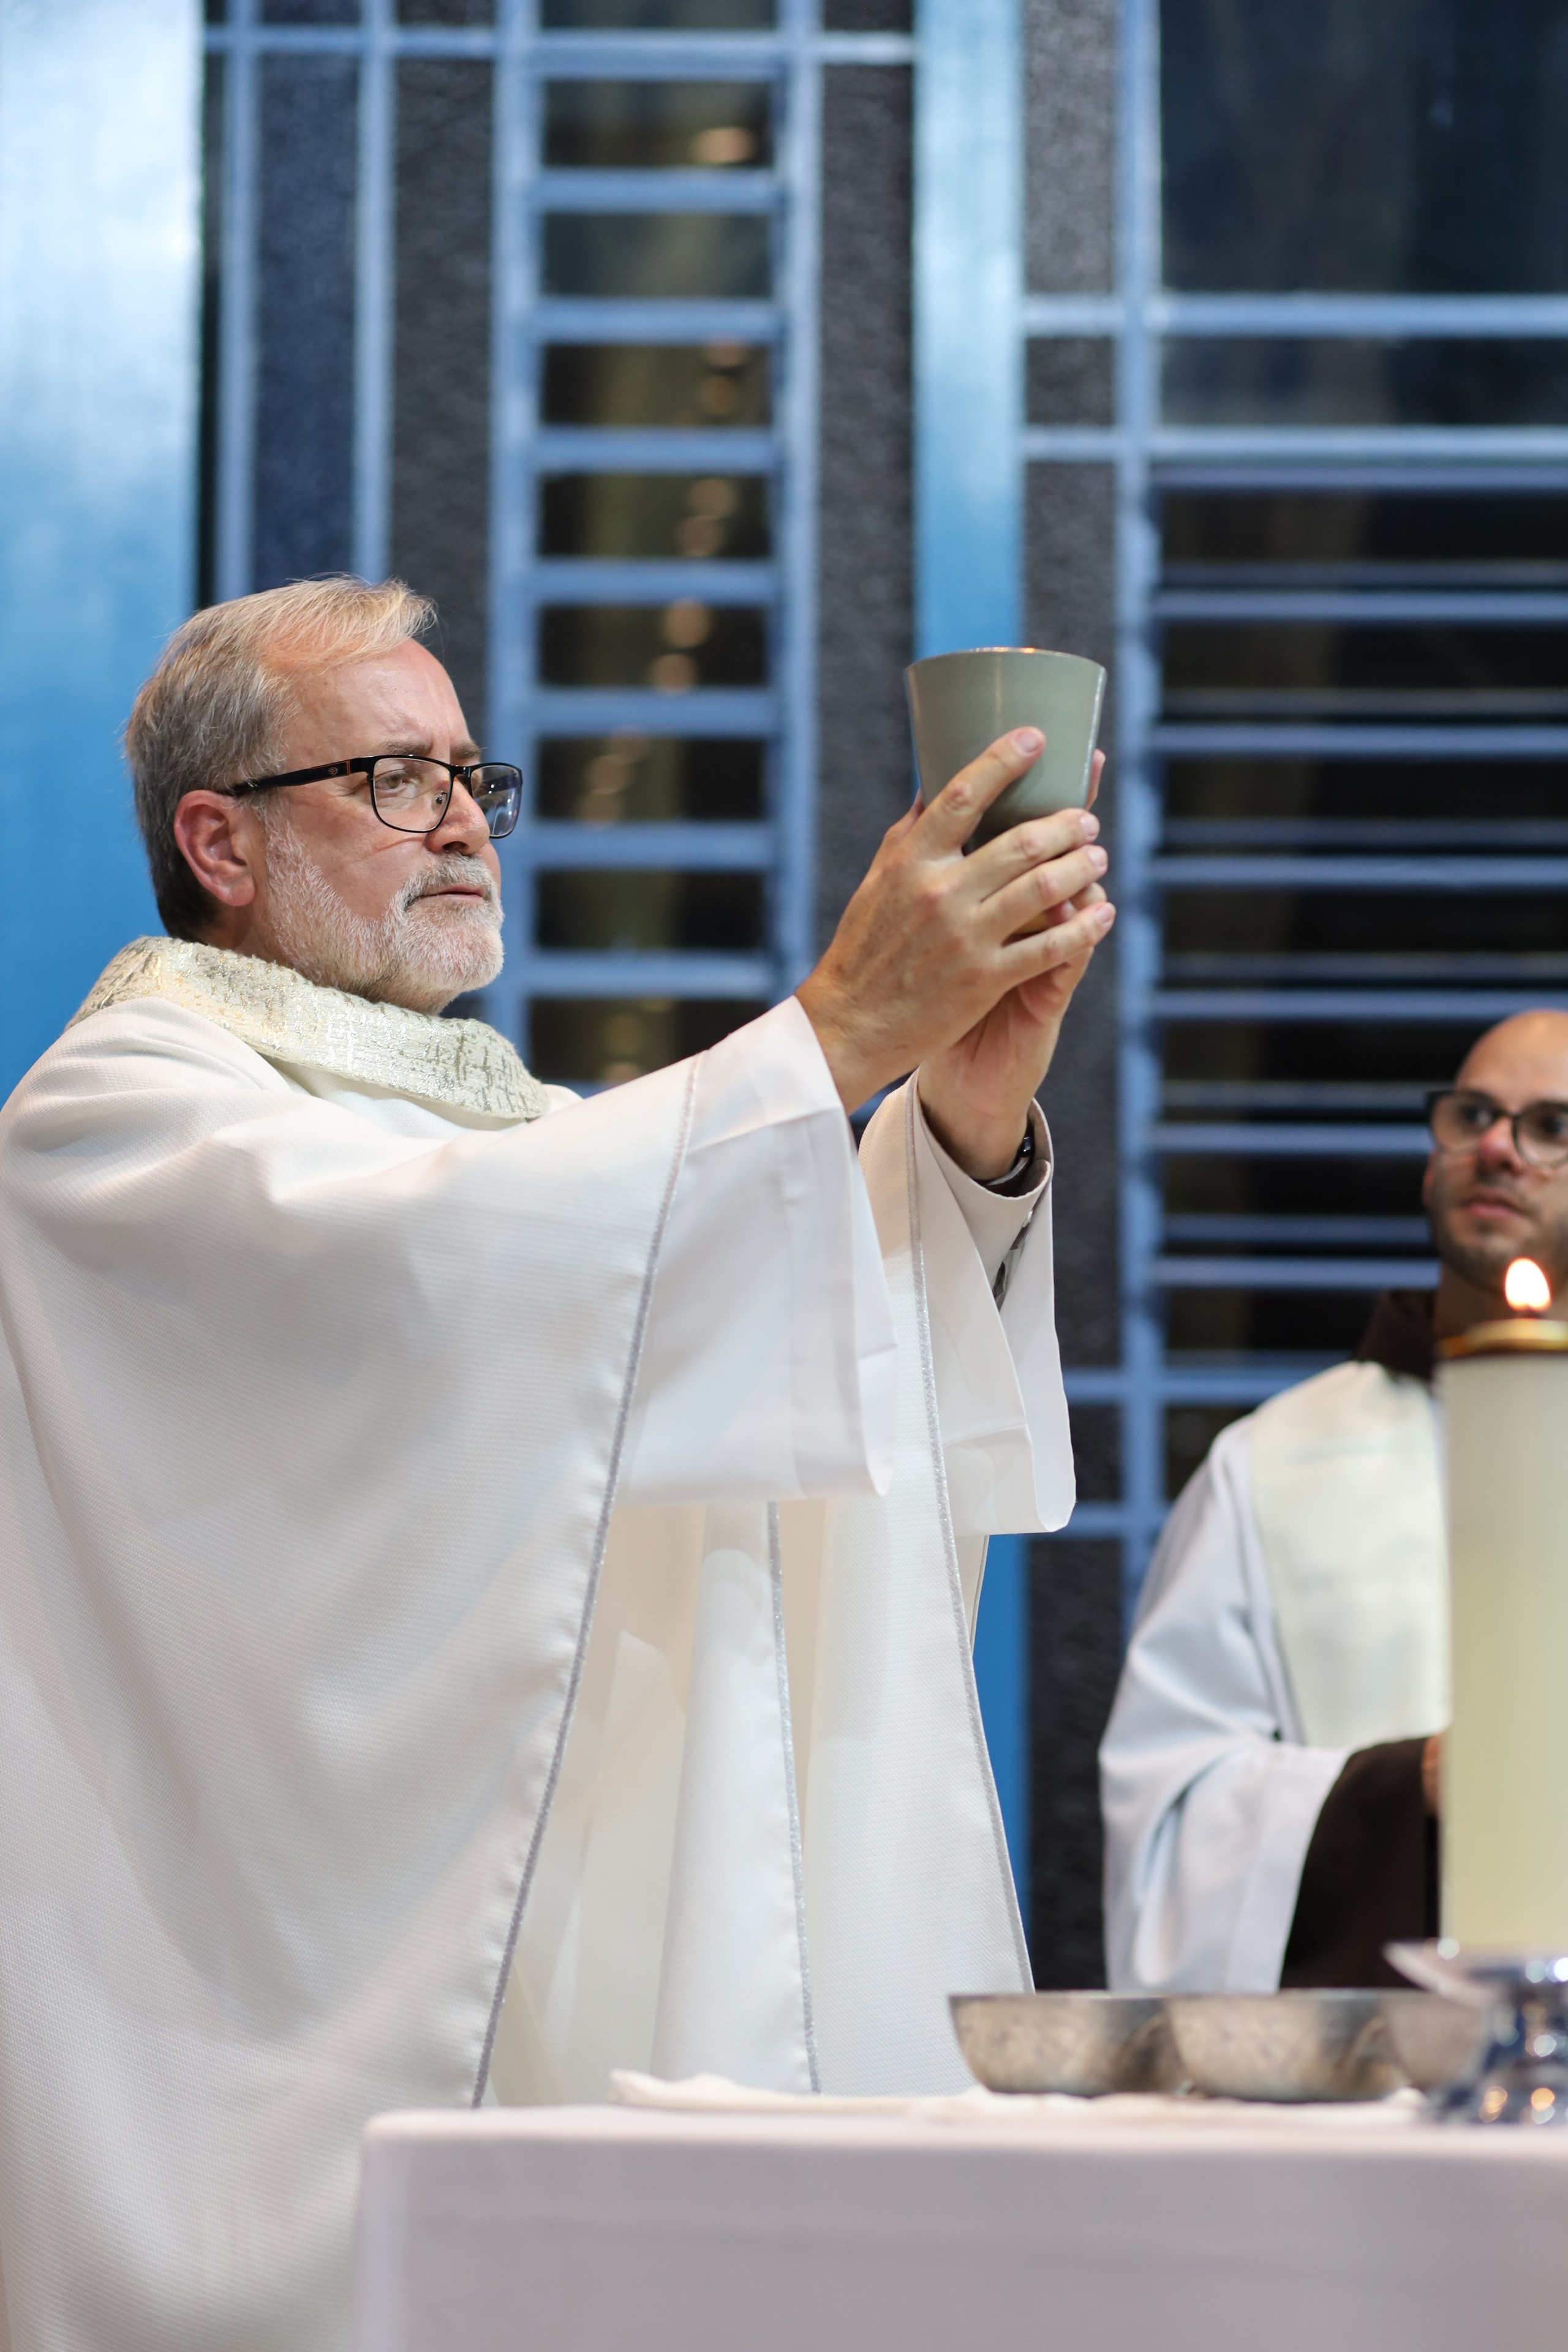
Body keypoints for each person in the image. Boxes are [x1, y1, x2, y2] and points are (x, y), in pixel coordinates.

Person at [0, 576, 1113, 2352]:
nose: (460, 821)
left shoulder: (515, 1133)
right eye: (393, 779)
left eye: (470, 776)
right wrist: (832, 1036)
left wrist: (956, 1116)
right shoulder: (118, 1115)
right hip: (257, 2061)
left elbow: (740, 1389)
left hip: (573, 2017)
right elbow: (432, 1289)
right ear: (219, 840)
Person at [1101, 1009, 1568, 1996]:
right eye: (1472, 1115)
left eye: (1551, 1128)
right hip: (1375, 2055)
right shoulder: (1271, 1464)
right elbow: (1170, 1818)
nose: (1496, 1147)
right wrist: (1405, 1788)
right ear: (1430, 1164)